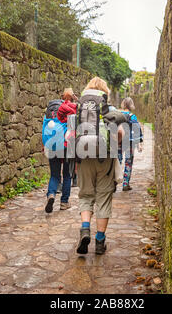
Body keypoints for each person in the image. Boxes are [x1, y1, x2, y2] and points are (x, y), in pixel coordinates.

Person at [75, 77, 126, 255]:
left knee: (86, 195)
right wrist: (114, 144)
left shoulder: (79, 107)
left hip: (83, 156)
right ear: (105, 92)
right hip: (105, 159)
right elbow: (120, 133)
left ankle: (85, 229)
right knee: (103, 198)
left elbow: (69, 135)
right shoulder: (109, 109)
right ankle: (99, 242)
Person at [44, 88, 78, 213]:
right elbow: (74, 129)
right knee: (67, 174)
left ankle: (51, 194)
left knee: (54, 174)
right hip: (67, 145)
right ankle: (64, 202)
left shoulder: (51, 109)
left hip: (52, 144)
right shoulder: (72, 108)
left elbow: (45, 127)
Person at [118, 97, 143, 192]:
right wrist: (139, 144)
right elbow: (136, 131)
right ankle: (125, 183)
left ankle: (114, 182)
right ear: (131, 105)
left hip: (119, 141)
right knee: (128, 163)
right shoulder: (133, 116)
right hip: (130, 143)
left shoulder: (118, 115)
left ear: (123, 104)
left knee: (117, 161)